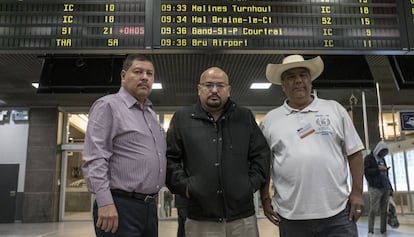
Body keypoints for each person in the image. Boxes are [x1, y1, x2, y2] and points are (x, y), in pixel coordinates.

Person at [259, 55, 365, 237]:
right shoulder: (270, 120)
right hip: (291, 216)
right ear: (283, 85)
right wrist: (265, 197)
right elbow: (263, 164)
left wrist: (357, 192)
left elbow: (354, 153)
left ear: (311, 81)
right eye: (291, 77)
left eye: (303, 75)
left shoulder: (335, 110)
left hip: (338, 214)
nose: (298, 80)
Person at [166, 67, 270, 237]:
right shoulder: (182, 118)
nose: (214, 90)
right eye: (208, 85)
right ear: (199, 89)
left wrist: (250, 184)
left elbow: (261, 154)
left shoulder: (244, 117)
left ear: (228, 90)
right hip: (199, 217)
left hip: (242, 218)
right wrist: (186, 187)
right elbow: (170, 159)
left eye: (220, 86)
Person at [82, 54, 166, 237]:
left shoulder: (150, 113)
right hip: (119, 206)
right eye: (138, 72)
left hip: (149, 208)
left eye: (149, 74)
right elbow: (95, 158)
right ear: (123, 76)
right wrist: (105, 202)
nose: (145, 77)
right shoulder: (108, 106)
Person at [364, 140, 392, 235]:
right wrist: (378, 169)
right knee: (373, 210)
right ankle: (370, 230)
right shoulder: (369, 158)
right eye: (383, 152)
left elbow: (386, 175)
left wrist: (390, 187)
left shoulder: (382, 159)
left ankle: (383, 230)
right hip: (375, 187)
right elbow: (367, 172)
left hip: (385, 186)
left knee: (384, 210)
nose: (383, 154)